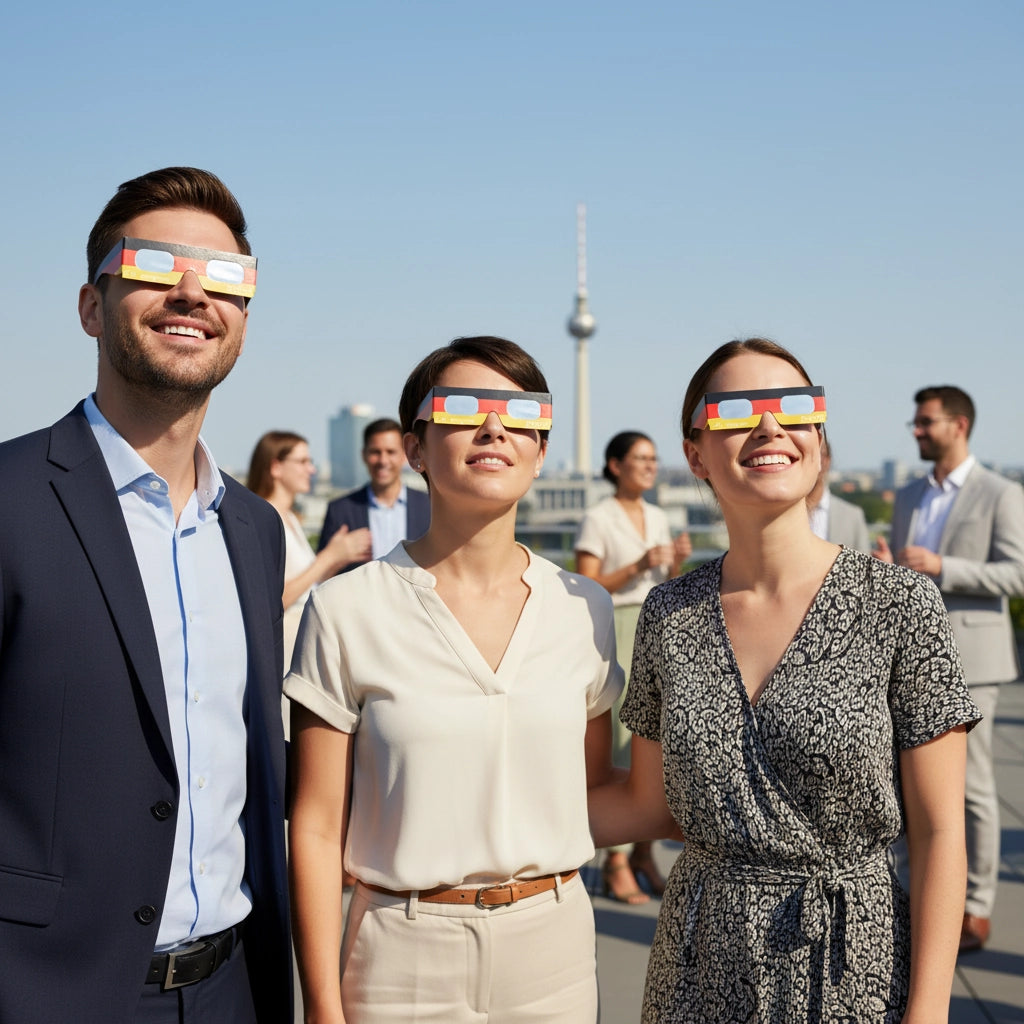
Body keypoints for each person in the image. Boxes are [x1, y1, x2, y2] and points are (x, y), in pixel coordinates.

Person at [589, 338, 980, 1023]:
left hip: (855, 965)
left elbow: (942, 831)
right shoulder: (670, 614)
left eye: (795, 410)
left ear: (818, 442)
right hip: (697, 966)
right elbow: (647, 807)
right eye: (738, 413)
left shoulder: (899, 603)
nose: (770, 427)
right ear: (695, 453)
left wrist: (929, 1011)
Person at [0, 168, 291, 1022]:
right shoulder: (10, 498)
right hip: (45, 991)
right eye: (156, 266)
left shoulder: (254, 530)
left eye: (226, 276)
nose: (193, 291)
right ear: (92, 307)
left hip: (231, 988)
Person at [286, 336, 623, 1023]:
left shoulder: (582, 608)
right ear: (415, 449)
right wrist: (322, 1003)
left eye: (521, 414)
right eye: (465, 408)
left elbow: (589, 793)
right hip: (399, 956)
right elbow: (316, 827)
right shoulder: (348, 609)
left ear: (541, 448)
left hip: (554, 949)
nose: (494, 427)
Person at [875, 385, 1024, 953]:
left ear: (958, 425)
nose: (915, 430)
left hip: (975, 661)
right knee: (912, 785)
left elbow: (1017, 574)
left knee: (974, 789)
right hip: (911, 660)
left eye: (925, 422)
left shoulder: (1000, 492)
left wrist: (944, 567)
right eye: (915, 422)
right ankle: (920, 896)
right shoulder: (909, 494)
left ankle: (977, 905)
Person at [575, 430, 691, 903]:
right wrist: (640, 563)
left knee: (655, 739)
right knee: (624, 736)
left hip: (655, 625)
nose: (649, 465)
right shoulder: (597, 517)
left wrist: (673, 564)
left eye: (653, 457)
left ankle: (643, 852)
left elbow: (667, 582)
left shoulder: (660, 516)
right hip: (618, 624)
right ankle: (616, 860)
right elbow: (588, 583)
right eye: (640, 458)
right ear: (615, 464)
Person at [246, 431, 372, 665]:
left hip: (299, 645)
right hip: (281, 652)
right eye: (303, 462)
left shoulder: (291, 519)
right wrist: (327, 557)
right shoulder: (263, 521)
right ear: (276, 467)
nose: (312, 470)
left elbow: (303, 584)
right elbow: (270, 602)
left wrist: (337, 558)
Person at [317, 417, 430, 572]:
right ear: (364, 455)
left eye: (391, 452)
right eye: (375, 452)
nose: (383, 460)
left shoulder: (429, 506)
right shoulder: (339, 511)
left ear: (405, 455)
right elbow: (323, 576)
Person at [807, 439, 872, 552]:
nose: (814, 461)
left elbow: (864, 564)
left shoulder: (853, 516)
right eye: (809, 454)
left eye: (819, 454)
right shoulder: (780, 513)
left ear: (828, 460)